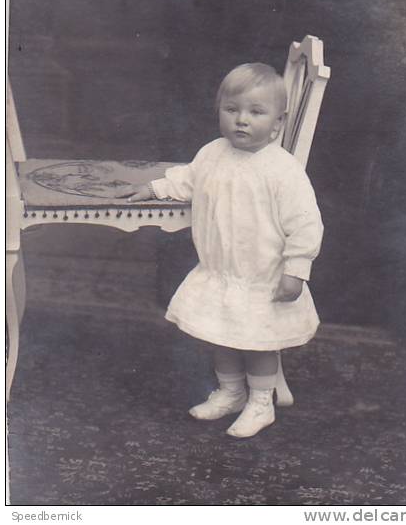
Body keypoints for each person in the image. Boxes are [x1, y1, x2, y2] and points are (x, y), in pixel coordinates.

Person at [117, 63, 323, 437]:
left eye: (256, 113)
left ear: (278, 123)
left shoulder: (282, 170)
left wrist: (296, 270)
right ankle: (231, 392)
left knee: (259, 342)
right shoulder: (213, 153)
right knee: (221, 335)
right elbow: (188, 180)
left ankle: (261, 403)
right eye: (233, 110)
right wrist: (156, 188)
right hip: (221, 271)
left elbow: (306, 224)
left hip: (263, 276)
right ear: (220, 112)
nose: (242, 120)